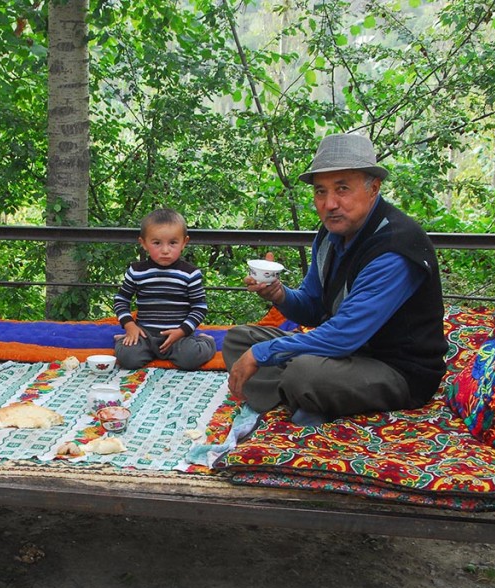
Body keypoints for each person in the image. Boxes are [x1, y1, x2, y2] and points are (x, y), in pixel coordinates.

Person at [223, 133, 448, 424]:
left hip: (396, 369)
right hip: (344, 356)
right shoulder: (331, 235)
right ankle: (308, 399)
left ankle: (302, 395)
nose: (329, 204)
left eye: (342, 189)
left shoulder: (395, 248)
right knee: (238, 339)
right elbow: (314, 308)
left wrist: (263, 354)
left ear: (374, 189)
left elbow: (344, 335)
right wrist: (279, 295)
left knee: (302, 373)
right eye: (320, 192)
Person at [112, 208, 216, 370]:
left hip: (178, 336)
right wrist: (129, 325)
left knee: (190, 359)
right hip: (144, 334)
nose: (165, 250)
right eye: (157, 243)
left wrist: (182, 331)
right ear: (144, 243)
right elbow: (121, 301)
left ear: (184, 243)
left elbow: (199, 308)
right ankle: (123, 339)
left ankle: (206, 341)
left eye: (173, 243)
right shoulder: (137, 271)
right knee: (127, 358)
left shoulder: (190, 274)